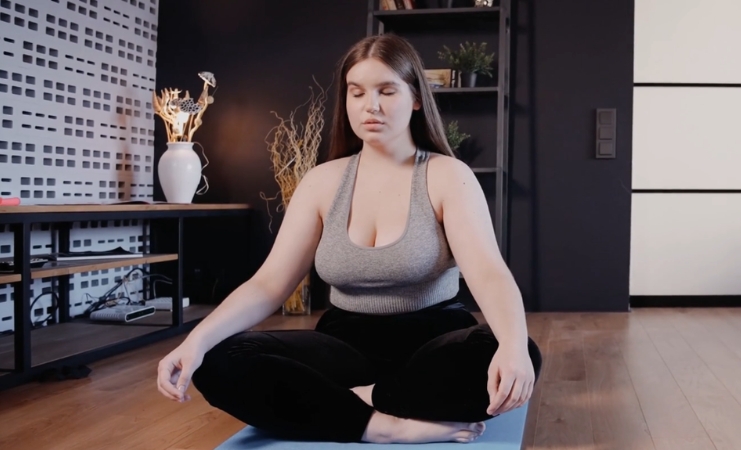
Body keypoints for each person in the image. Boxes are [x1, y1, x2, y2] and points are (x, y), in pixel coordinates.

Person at [156, 33, 542, 445]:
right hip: (344, 347)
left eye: (386, 91)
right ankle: (385, 425)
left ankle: (351, 402)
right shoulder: (321, 182)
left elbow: (488, 272)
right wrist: (194, 342)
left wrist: (512, 346)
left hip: (434, 344)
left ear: (415, 98)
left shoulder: (448, 175)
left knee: (515, 349)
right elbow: (268, 284)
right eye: (357, 93)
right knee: (216, 359)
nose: (370, 106)